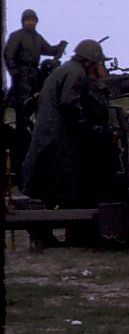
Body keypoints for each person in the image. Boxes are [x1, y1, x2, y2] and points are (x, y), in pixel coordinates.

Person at [19, 39, 116, 210]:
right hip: (59, 143)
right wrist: (92, 130)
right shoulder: (76, 73)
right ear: (89, 62)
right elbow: (69, 104)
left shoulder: (64, 70)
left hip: (50, 139)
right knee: (71, 196)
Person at [5, 9, 68, 136]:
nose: (30, 22)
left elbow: (49, 50)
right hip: (22, 75)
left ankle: (32, 132)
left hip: (35, 74)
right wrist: (15, 72)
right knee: (22, 108)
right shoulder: (16, 36)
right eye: (27, 20)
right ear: (23, 22)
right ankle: (21, 138)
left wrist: (60, 46)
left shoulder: (37, 38)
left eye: (32, 20)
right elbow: (8, 54)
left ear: (36, 22)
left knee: (37, 103)